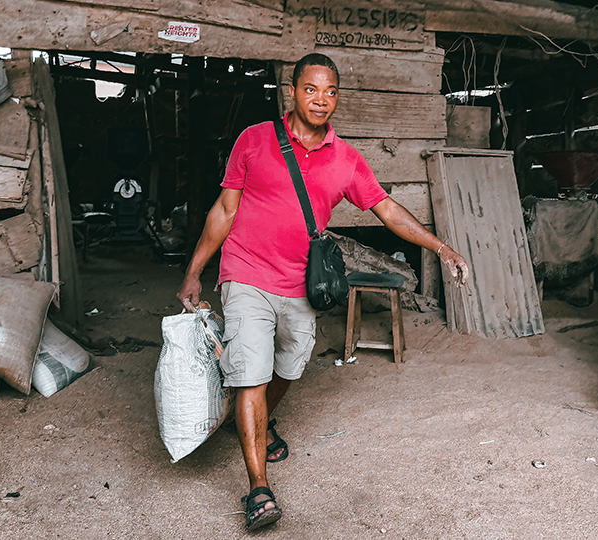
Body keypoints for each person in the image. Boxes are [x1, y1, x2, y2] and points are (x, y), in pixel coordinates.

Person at [175, 52, 471, 533]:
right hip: (246, 273)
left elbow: (389, 211)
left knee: (290, 362)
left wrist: (442, 248)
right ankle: (259, 489)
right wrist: (195, 271)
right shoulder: (254, 140)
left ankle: (259, 422)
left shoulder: (346, 160)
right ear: (291, 91)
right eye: (311, 89)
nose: (321, 99)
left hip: (300, 283)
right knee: (250, 371)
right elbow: (223, 211)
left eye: (330, 91)